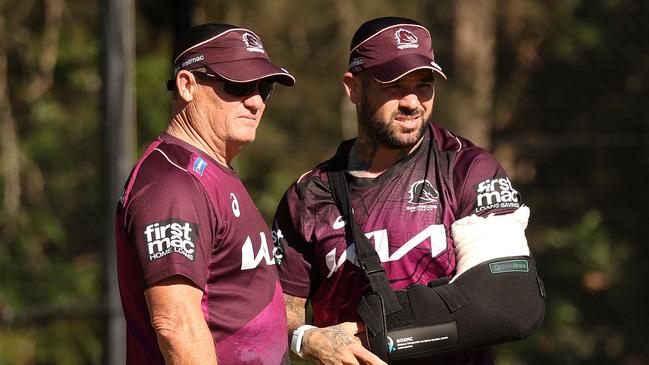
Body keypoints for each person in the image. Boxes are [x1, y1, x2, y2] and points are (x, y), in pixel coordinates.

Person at [273, 16, 536, 364]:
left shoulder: (466, 169)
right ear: (353, 87)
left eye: (424, 86)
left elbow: (509, 305)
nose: (412, 103)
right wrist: (306, 338)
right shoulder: (307, 196)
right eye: (393, 86)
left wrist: (390, 335)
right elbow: (280, 312)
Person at [115, 23, 294, 364]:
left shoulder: (210, 172)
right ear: (187, 85)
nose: (256, 101)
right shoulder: (173, 182)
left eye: (264, 87)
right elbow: (175, 325)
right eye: (237, 84)